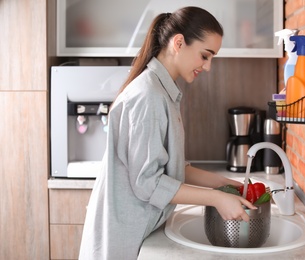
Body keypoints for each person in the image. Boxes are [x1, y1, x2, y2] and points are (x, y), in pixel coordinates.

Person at [79, 6, 256, 260]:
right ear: (179, 43)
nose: (207, 67)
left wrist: (224, 185)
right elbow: (148, 183)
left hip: (139, 231)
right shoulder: (148, 96)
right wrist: (216, 199)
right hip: (123, 238)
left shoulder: (162, 91)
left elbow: (170, 169)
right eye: (205, 56)